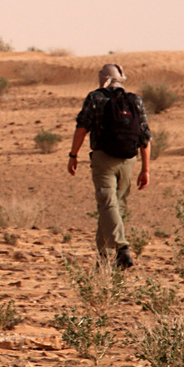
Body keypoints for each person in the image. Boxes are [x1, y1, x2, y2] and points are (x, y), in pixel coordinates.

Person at [68, 63, 152, 269]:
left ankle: (122, 249)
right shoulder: (135, 100)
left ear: (102, 78)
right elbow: (145, 138)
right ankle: (104, 259)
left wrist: (73, 155)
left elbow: (81, 129)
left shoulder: (96, 98)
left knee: (108, 204)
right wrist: (145, 169)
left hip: (103, 159)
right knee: (113, 207)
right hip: (129, 161)